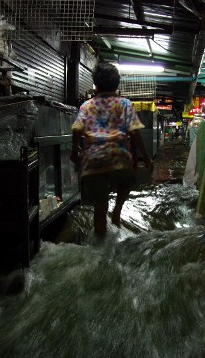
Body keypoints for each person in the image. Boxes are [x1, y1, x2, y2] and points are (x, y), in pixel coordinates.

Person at [70, 62, 154, 238]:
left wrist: (74, 151)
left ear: (96, 85)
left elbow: (77, 130)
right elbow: (135, 132)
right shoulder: (124, 104)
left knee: (100, 207)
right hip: (119, 158)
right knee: (126, 183)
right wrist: (145, 156)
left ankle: (100, 244)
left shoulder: (86, 106)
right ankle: (117, 210)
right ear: (117, 84)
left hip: (93, 161)